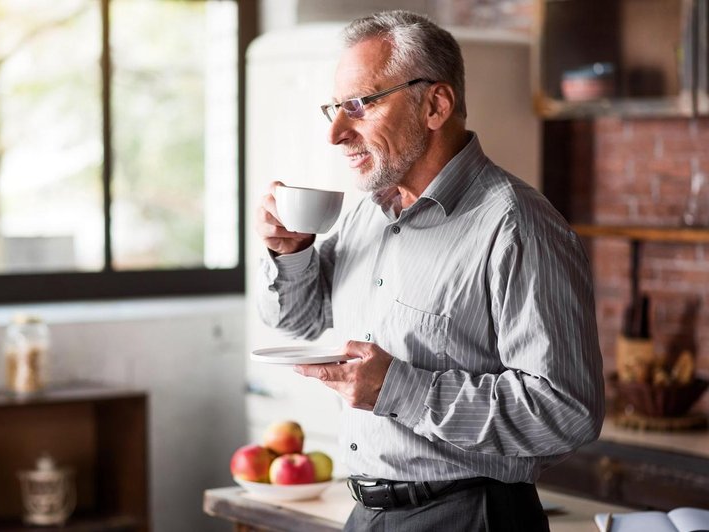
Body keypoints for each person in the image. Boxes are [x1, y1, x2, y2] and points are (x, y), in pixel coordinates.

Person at [254, 10, 604, 532]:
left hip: (470, 516)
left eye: (358, 105)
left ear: (435, 105)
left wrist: (400, 387)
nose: (335, 132)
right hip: (368, 514)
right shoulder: (366, 214)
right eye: (333, 107)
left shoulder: (515, 225)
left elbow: (567, 411)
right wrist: (291, 253)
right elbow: (298, 322)